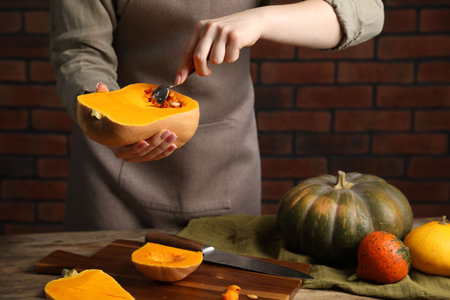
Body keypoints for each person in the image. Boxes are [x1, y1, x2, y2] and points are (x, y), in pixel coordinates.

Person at [50, 0, 384, 231]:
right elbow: (81, 49)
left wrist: (262, 18)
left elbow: (363, 11)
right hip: (111, 172)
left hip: (226, 168)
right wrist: (108, 118)